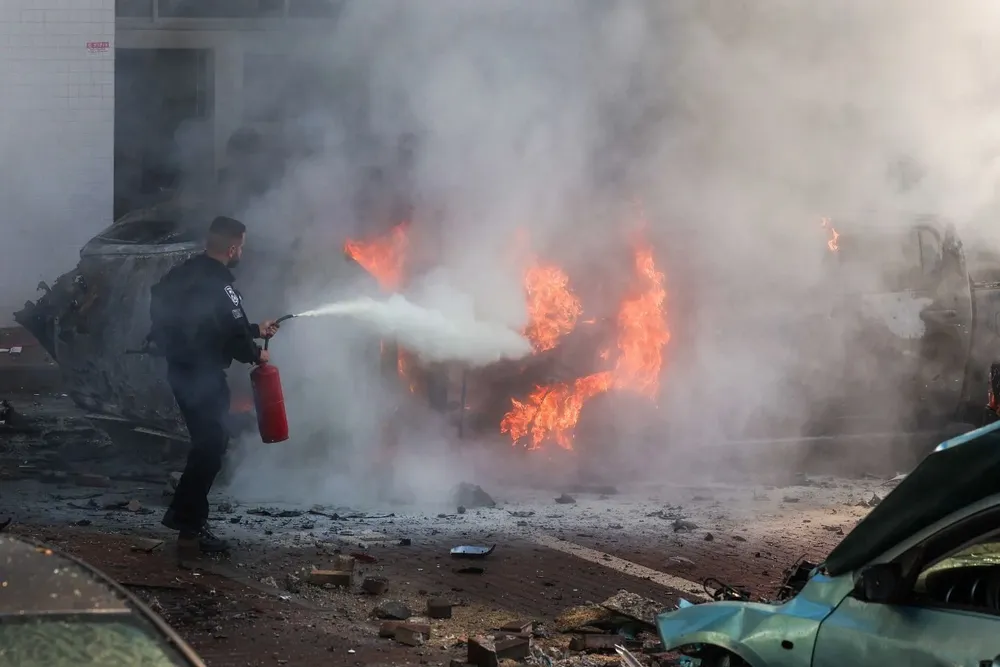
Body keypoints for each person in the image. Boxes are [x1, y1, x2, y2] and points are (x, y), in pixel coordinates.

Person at [149, 216, 280, 553]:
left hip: (180, 371)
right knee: (210, 448)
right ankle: (188, 527)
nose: (242, 253)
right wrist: (256, 354)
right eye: (242, 247)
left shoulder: (182, 274)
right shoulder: (222, 285)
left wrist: (255, 330)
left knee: (206, 445)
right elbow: (231, 332)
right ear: (233, 247)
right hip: (203, 376)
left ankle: (187, 522)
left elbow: (209, 323)